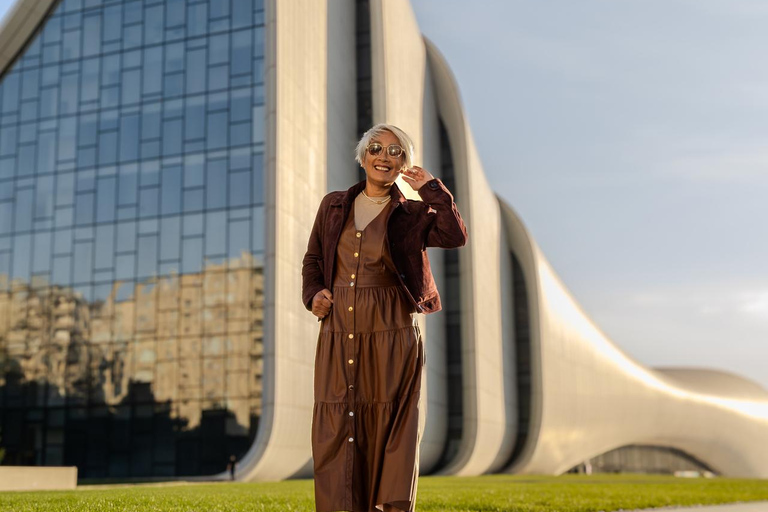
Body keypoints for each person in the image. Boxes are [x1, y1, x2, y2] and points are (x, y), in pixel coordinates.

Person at [302, 123, 468, 512]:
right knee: (336, 424)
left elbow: (454, 234)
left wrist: (432, 189)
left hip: (393, 328)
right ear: (363, 157)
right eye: (376, 148)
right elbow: (313, 259)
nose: (384, 156)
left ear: (404, 164)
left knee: (392, 426)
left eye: (396, 151)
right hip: (339, 328)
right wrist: (313, 295)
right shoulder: (333, 205)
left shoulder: (413, 212)